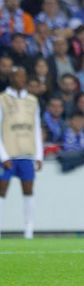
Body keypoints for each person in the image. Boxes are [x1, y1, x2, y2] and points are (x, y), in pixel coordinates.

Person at [0, 67, 43, 239]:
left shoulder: (32, 100)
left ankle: (29, 230)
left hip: (26, 152)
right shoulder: (2, 99)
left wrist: (39, 155)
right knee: (2, 189)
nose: (21, 79)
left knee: (28, 189)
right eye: (18, 76)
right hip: (9, 152)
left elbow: (36, 128)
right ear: (11, 78)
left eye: (24, 76)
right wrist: (3, 156)